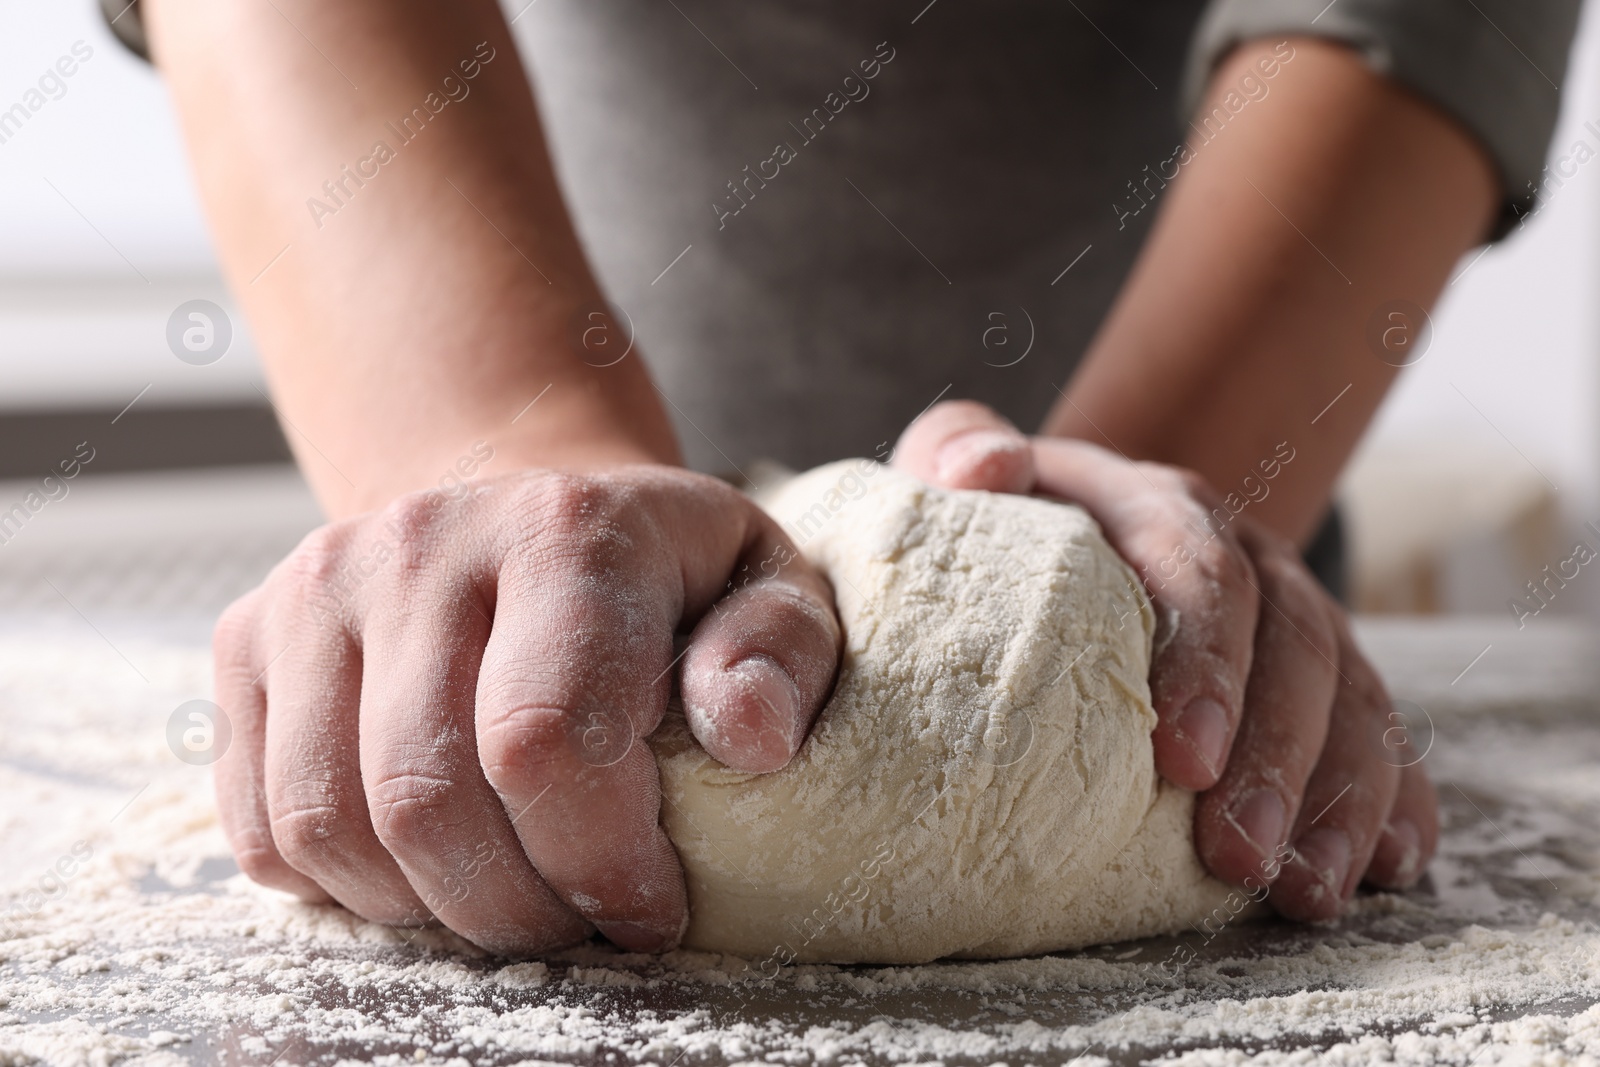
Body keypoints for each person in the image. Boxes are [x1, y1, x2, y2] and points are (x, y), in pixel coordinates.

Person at [106, 0, 1580, 955]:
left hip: (1203, 570)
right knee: (565, 669)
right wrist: (501, 452)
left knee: (1192, 682)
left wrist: (1144, 529)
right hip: (547, 509)